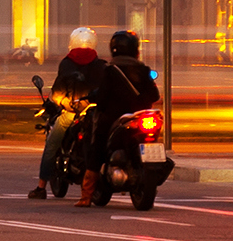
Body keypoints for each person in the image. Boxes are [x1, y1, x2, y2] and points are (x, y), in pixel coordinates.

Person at [30, 26, 103, 198]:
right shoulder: (100, 64)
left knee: (52, 145)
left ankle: (41, 187)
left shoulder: (67, 63)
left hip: (72, 112)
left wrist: (59, 101)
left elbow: (58, 90)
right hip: (95, 111)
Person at [83, 29, 163, 173]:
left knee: (96, 148)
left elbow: (102, 99)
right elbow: (155, 95)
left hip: (114, 119)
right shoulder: (143, 70)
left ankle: (88, 191)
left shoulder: (110, 71)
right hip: (139, 117)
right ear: (135, 49)